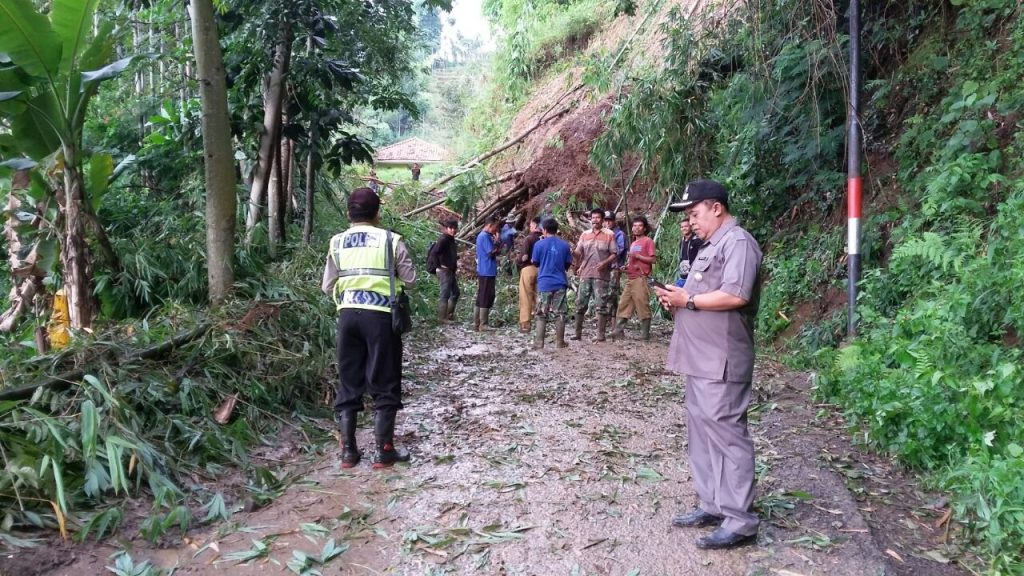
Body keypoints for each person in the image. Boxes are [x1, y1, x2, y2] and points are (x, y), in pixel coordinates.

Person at [653, 179, 763, 550]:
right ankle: (713, 504)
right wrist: (677, 298)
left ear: (716, 208)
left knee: (728, 436)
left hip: (722, 359)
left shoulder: (738, 243)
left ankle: (741, 520)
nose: (692, 222)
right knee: (702, 434)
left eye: (695, 214)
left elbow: (735, 293)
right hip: (699, 359)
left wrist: (691, 301)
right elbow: (698, 293)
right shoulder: (709, 246)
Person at [322, 187, 416, 469]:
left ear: (349, 213)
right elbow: (410, 279)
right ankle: (383, 450)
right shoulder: (390, 240)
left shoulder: (337, 242)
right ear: (377, 213)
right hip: (381, 318)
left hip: (348, 317)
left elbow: (327, 286)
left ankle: (348, 452)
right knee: (385, 381)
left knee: (349, 381)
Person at [571, 208, 617, 342]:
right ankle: (577, 333)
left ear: (602, 220)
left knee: (601, 305)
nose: (595, 220)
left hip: (601, 275)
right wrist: (572, 252)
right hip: (586, 273)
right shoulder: (584, 234)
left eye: (597, 218)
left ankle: (600, 335)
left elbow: (614, 253)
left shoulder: (609, 234)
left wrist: (604, 263)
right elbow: (579, 252)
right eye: (593, 218)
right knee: (580, 303)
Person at [611, 216, 656, 341]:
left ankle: (645, 335)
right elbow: (633, 260)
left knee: (642, 305)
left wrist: (638, 256)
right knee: (624, 303)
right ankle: (619, 331)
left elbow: (653, 259)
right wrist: (626, 267)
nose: (636, 228)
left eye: (640, 226)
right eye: (634, 226)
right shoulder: (634, 243)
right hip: (630, 278)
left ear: (645, 228)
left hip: (641, 278)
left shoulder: (648, 241)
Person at [531, 218, 574, 349]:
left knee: (541, 313)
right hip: (560, 282)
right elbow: (568, 264)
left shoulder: (539, 245)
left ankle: (539, 343)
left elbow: (535, 262)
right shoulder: (565, 245)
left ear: (544, 230)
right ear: (557, 229)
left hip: (544, 283)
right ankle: (560, 342)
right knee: (560, 313)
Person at [474, 216, 501, 331]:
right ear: (490, 225)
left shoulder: (483, 236)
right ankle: (483, 324)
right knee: (486, 296)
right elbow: (491, 253)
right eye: (495, 227)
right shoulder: (484, 237)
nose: (496, 230)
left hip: (484, 270)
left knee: (481, 296)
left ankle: (477, 322)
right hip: (487, 270)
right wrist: (498, 243)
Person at [517, 217, 543, 333]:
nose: (530, 227)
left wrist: (518, 262)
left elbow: (524, 256)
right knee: (539, 297)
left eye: (532, 225)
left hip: (528, 269)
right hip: (542, 270)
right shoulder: (544, 239)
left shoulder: (529, 239)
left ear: (535, 225)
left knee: (526, 296)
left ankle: (526, 324)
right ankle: (540, 323)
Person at [435, 218, 460, 323]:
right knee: (445, 294)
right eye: (451, 228)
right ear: (446, 228)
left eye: (455, 228)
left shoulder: (451, 239)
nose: (453, 230)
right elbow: (435, 253)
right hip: (444, 270)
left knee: (456, 293)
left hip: (450, 270)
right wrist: (439, 266)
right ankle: (442, 318)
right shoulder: (443, 239)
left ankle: (449, 315)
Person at [605, 211, 627, 310]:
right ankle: (604, 314)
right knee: (603, 290)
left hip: (615, 267)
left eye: (610, 220)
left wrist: (605, 256)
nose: (607, 223)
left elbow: (620, 249)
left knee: (612, 291)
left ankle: (613, 315)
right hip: (604, 267)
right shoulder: (604, 233)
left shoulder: (619, 234)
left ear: (614, 221)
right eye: (606, 220)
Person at [676, 219, 702, 287]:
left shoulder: (697, 240)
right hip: (682, 276)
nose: (684, 228)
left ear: (691, 227)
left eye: (686, 226)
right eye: (682, 227)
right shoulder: (682, 241)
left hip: (694, 277)